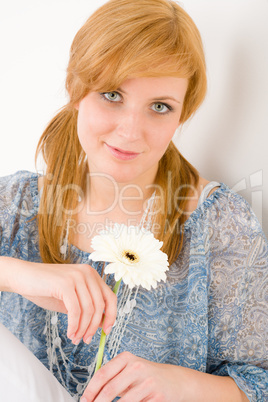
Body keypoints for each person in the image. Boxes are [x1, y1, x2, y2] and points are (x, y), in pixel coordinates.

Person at [0, 0, 267, 400]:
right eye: (112, 95)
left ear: (182, 114)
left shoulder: (220, 225)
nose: (130, 131)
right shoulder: (15, 204)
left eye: (160, 107)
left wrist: (183, 385)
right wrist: (13, 273)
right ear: (77, 91)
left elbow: (260, 381)